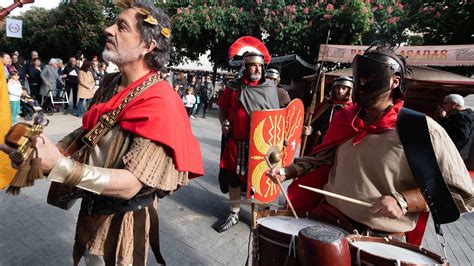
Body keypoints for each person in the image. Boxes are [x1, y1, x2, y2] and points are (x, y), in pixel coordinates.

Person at [1, 1, 203, 264]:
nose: (108, 30)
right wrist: (40, 150)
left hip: (123, 224)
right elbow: (87, 132)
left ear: (147, 46)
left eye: (121, 26)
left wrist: (60, 165)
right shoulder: (111, 82)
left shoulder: (163, 103)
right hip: (91, 209)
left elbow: (131, 183)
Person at [267, 45, 472, 244]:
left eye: (372, 75)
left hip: (381, 240)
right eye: (361, 75)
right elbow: (321, 159)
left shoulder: (420, 128)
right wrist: (287, 171)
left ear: (394, 81)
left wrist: (404, 200)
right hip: (329, 224)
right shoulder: (346, 119)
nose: (363, 81)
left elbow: (461, 193)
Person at [216, 44, 279, 232]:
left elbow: (276, 118)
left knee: (259, 180)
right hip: (236, 142)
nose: (257, 69)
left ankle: (259, 214)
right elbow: (222, 109)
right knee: (233, 179)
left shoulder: (269, 88)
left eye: (260, 66)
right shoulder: (234, 87)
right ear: (245, 67)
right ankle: (234, 212)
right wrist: (224, 123)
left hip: (260, 145)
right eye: (253, 65)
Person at [301, 76, 353, 155]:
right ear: (333, 89)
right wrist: (310, 130)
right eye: (337, 88)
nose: (340, 91)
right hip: (322, 145)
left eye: (343, 88)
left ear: (349, 91)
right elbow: (315, 123)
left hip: (342, 147)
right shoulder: (326, 105)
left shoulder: (353, 109)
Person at [437, 94, 474, 162]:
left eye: (445, 103)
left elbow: (461, 136)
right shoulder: (470, 115)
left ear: (453, 104)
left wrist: (444, 119)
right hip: (467, 156)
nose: (443, 106)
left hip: (456, 155)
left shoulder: (461, 116)